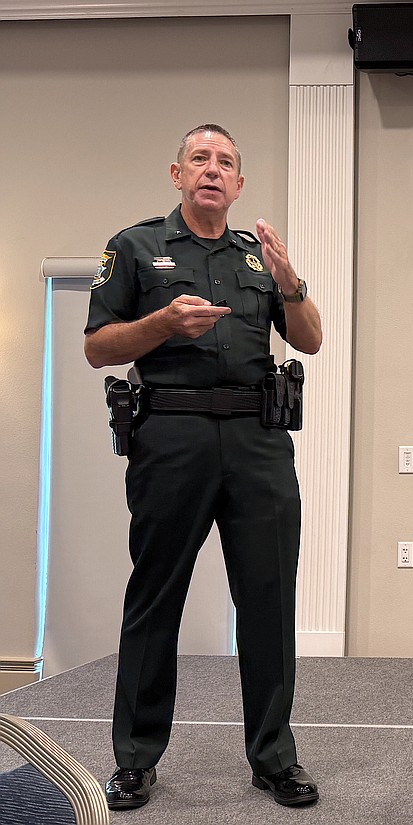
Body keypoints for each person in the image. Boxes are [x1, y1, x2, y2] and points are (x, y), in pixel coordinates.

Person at [84, 124, 323, 810]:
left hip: (258, 438)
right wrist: (161, 325)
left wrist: (292, 280)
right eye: (200, 159)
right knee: (157, 595)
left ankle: (274, 756)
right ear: (176, 173)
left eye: (225, 162)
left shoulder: (259, 258)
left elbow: (310, 337)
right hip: (173, 436)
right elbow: (100, 346)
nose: (212, 170)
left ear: (240, 184)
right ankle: (135, 758)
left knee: (269, 599)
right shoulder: (135, 247)